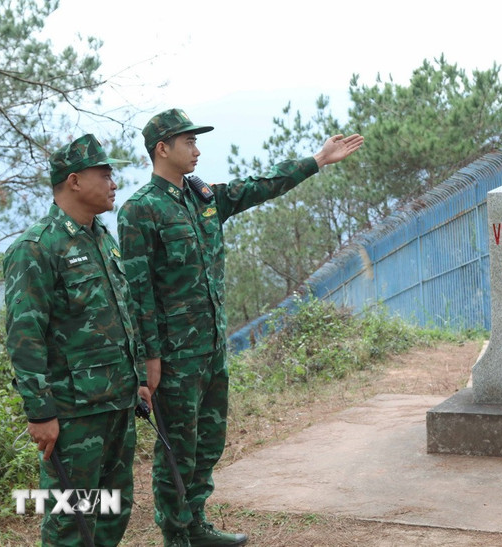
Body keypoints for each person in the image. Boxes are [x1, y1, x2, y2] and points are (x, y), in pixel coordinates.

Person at [117, 108, 363, 547]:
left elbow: (259, 186)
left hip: (211, 349)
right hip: (173, 357)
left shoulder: (202, 196)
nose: (196, 149)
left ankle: (197, 525)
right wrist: (148, 362)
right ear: (163, 148)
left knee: (208, 442)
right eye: (188, 142)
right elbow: (139, 295)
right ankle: (176, 534)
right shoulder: (141, 211)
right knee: (178, 449)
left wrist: (318, 160)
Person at [4, 134, 151, 546]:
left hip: (118, 403)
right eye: (104, 174)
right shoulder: (37, 248)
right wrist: (39, 413)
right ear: (73, 181)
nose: (113, 182)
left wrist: (137, 378)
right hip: (72, 414)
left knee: (113, 509)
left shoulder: (101, 237)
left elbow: (123, 314)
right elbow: (24, 336)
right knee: (72, 519)